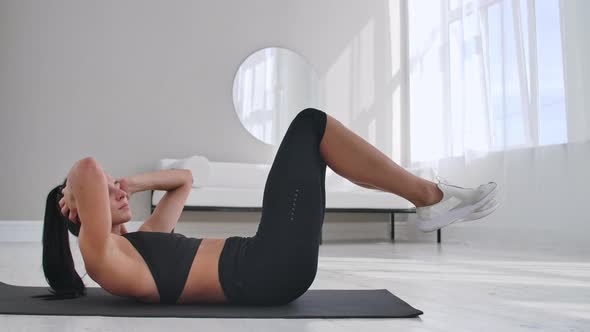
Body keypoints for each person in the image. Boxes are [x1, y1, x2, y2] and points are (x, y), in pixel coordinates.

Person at [39, 108, 498, 305]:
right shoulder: (106, 261)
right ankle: (427, 199)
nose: (117, 188)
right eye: (106, 190)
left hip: (269, 264)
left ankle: (425, 199)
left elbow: (184, 182)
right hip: (268, 266)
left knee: (317, 138)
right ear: (78, 214)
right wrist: (68, 194)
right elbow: (85, 165)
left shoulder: (144, 243)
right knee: (310, 125)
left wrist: (134, 183)